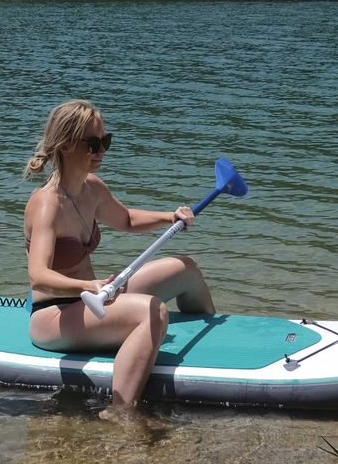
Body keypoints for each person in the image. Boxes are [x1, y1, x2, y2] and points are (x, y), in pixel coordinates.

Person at [23, 99, 215, 424]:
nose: (102, 151)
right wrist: (88, 284)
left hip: (97, 298)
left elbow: (126, 219)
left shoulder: (91, 189)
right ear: (67, 145)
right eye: (93, 144)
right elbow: (39, 276)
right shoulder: (46, 205)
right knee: (152, 310)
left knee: (186, 269)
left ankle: (218, 343)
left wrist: (170, 216)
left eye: (105, 141)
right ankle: (120, 411)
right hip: (54, 316)